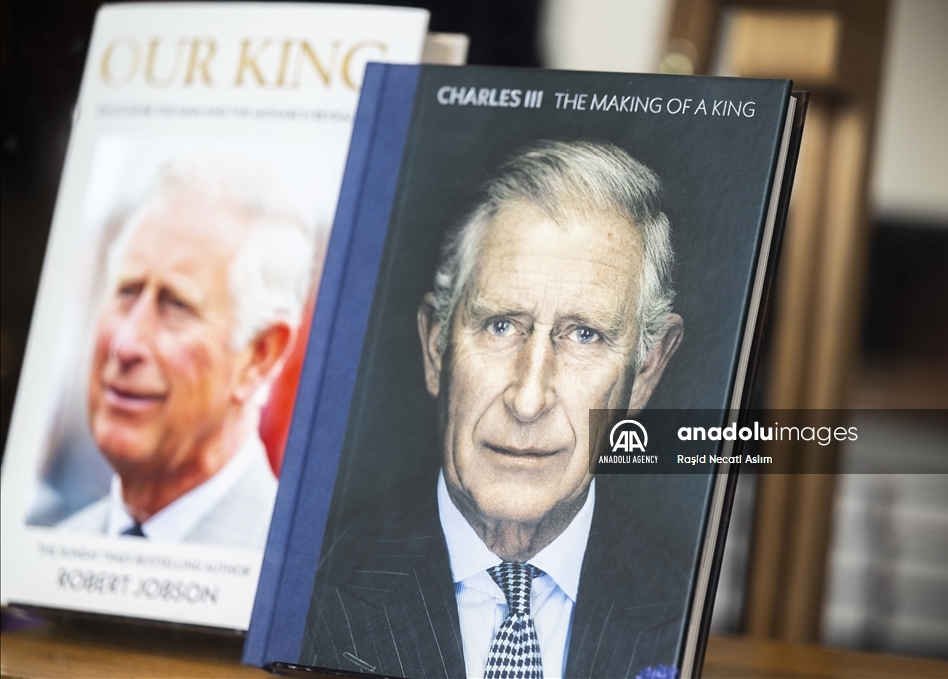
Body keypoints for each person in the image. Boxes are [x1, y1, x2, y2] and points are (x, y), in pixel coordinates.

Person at [301, 140, 686, 678]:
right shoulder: (305, 587)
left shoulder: (685, 608)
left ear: (645, 371)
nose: (528, 400)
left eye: (584, 335)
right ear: (437, 345)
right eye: (501, 325)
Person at [58, 154, 313, 550]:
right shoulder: (50, 555)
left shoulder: (288, 578)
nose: (126, 345)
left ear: (259, 355)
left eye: (177, 304)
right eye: (126, 290)